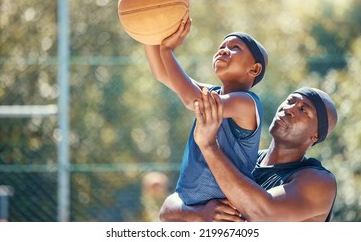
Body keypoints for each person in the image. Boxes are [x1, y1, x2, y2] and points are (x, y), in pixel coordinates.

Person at [159, 86, 338, 222]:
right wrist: (197, 213)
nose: (289, 109)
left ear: (315, 136)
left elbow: (263, 213)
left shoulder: (319, 182)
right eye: (290, 101)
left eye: (303, 110)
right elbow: (168, 209)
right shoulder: (243, 159)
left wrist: (209, 146)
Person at [143, 18, 269, 205]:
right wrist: (147, 29)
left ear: (255, 68)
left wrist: (167, 50)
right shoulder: (212, 94)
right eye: (221, 46)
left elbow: (193, 101)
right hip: (192, 205)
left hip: (224, 213)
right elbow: (162, 73)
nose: (224, 49)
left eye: (235, 47)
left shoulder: (247, 103)